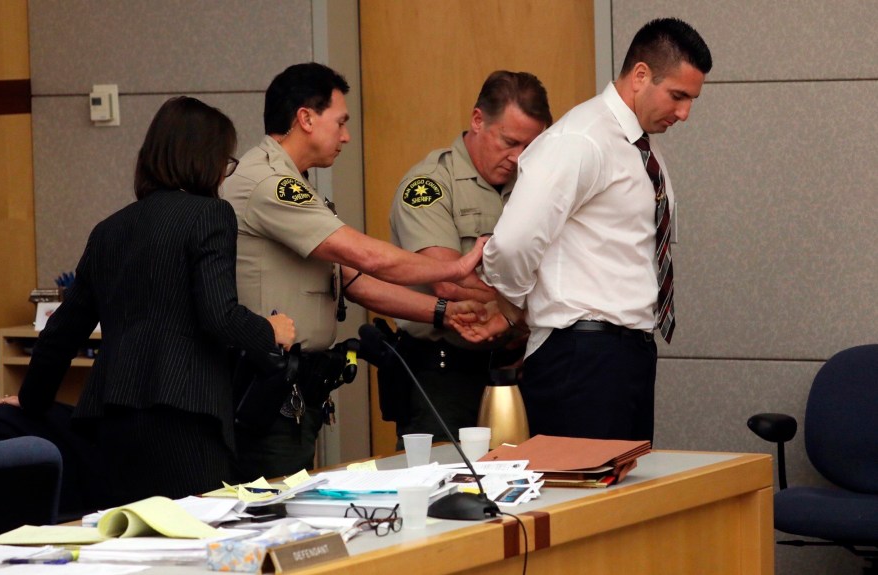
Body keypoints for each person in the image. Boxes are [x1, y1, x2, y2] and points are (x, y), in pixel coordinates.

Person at [0, 96, 296, 506]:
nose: (224, 171)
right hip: (185, 415)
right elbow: (218, 316)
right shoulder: (210, 215)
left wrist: (29, 401)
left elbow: (62, 331)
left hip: (111, 420)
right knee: (196, 536)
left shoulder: (108, 230)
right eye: (225, 159)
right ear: (205, 159)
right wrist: (270, 331)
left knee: (131, 539)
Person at [222, 62, 489, 480]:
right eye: (340, 122)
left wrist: (442, 311)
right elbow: (368, 257)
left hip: (294, 392)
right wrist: (455, 267)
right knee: (271, 516)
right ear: (305, 119)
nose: (346, 136)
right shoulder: (271, 184)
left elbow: (354, 280)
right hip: (266, 393)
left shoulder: (296, 182)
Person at [481, 18, 712, 442]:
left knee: (623, 502)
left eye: (691, 100)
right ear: (640, 75)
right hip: (582, 355)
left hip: (627, 352)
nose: (684, 113)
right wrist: (511, 305)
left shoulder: (639, 145)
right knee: (585, 499)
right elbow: (513, 242)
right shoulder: (582, 139)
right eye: (677, 96)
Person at [387, 71, 551, 445]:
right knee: (445, 490)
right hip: (444, 374)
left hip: (516, 370)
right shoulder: (429, 185)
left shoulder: (536, 185)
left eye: (531, 146)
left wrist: (517, 317)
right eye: (509, 142)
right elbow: (450, 282)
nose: (519, 157)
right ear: (478, 121)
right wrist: (520, 309)